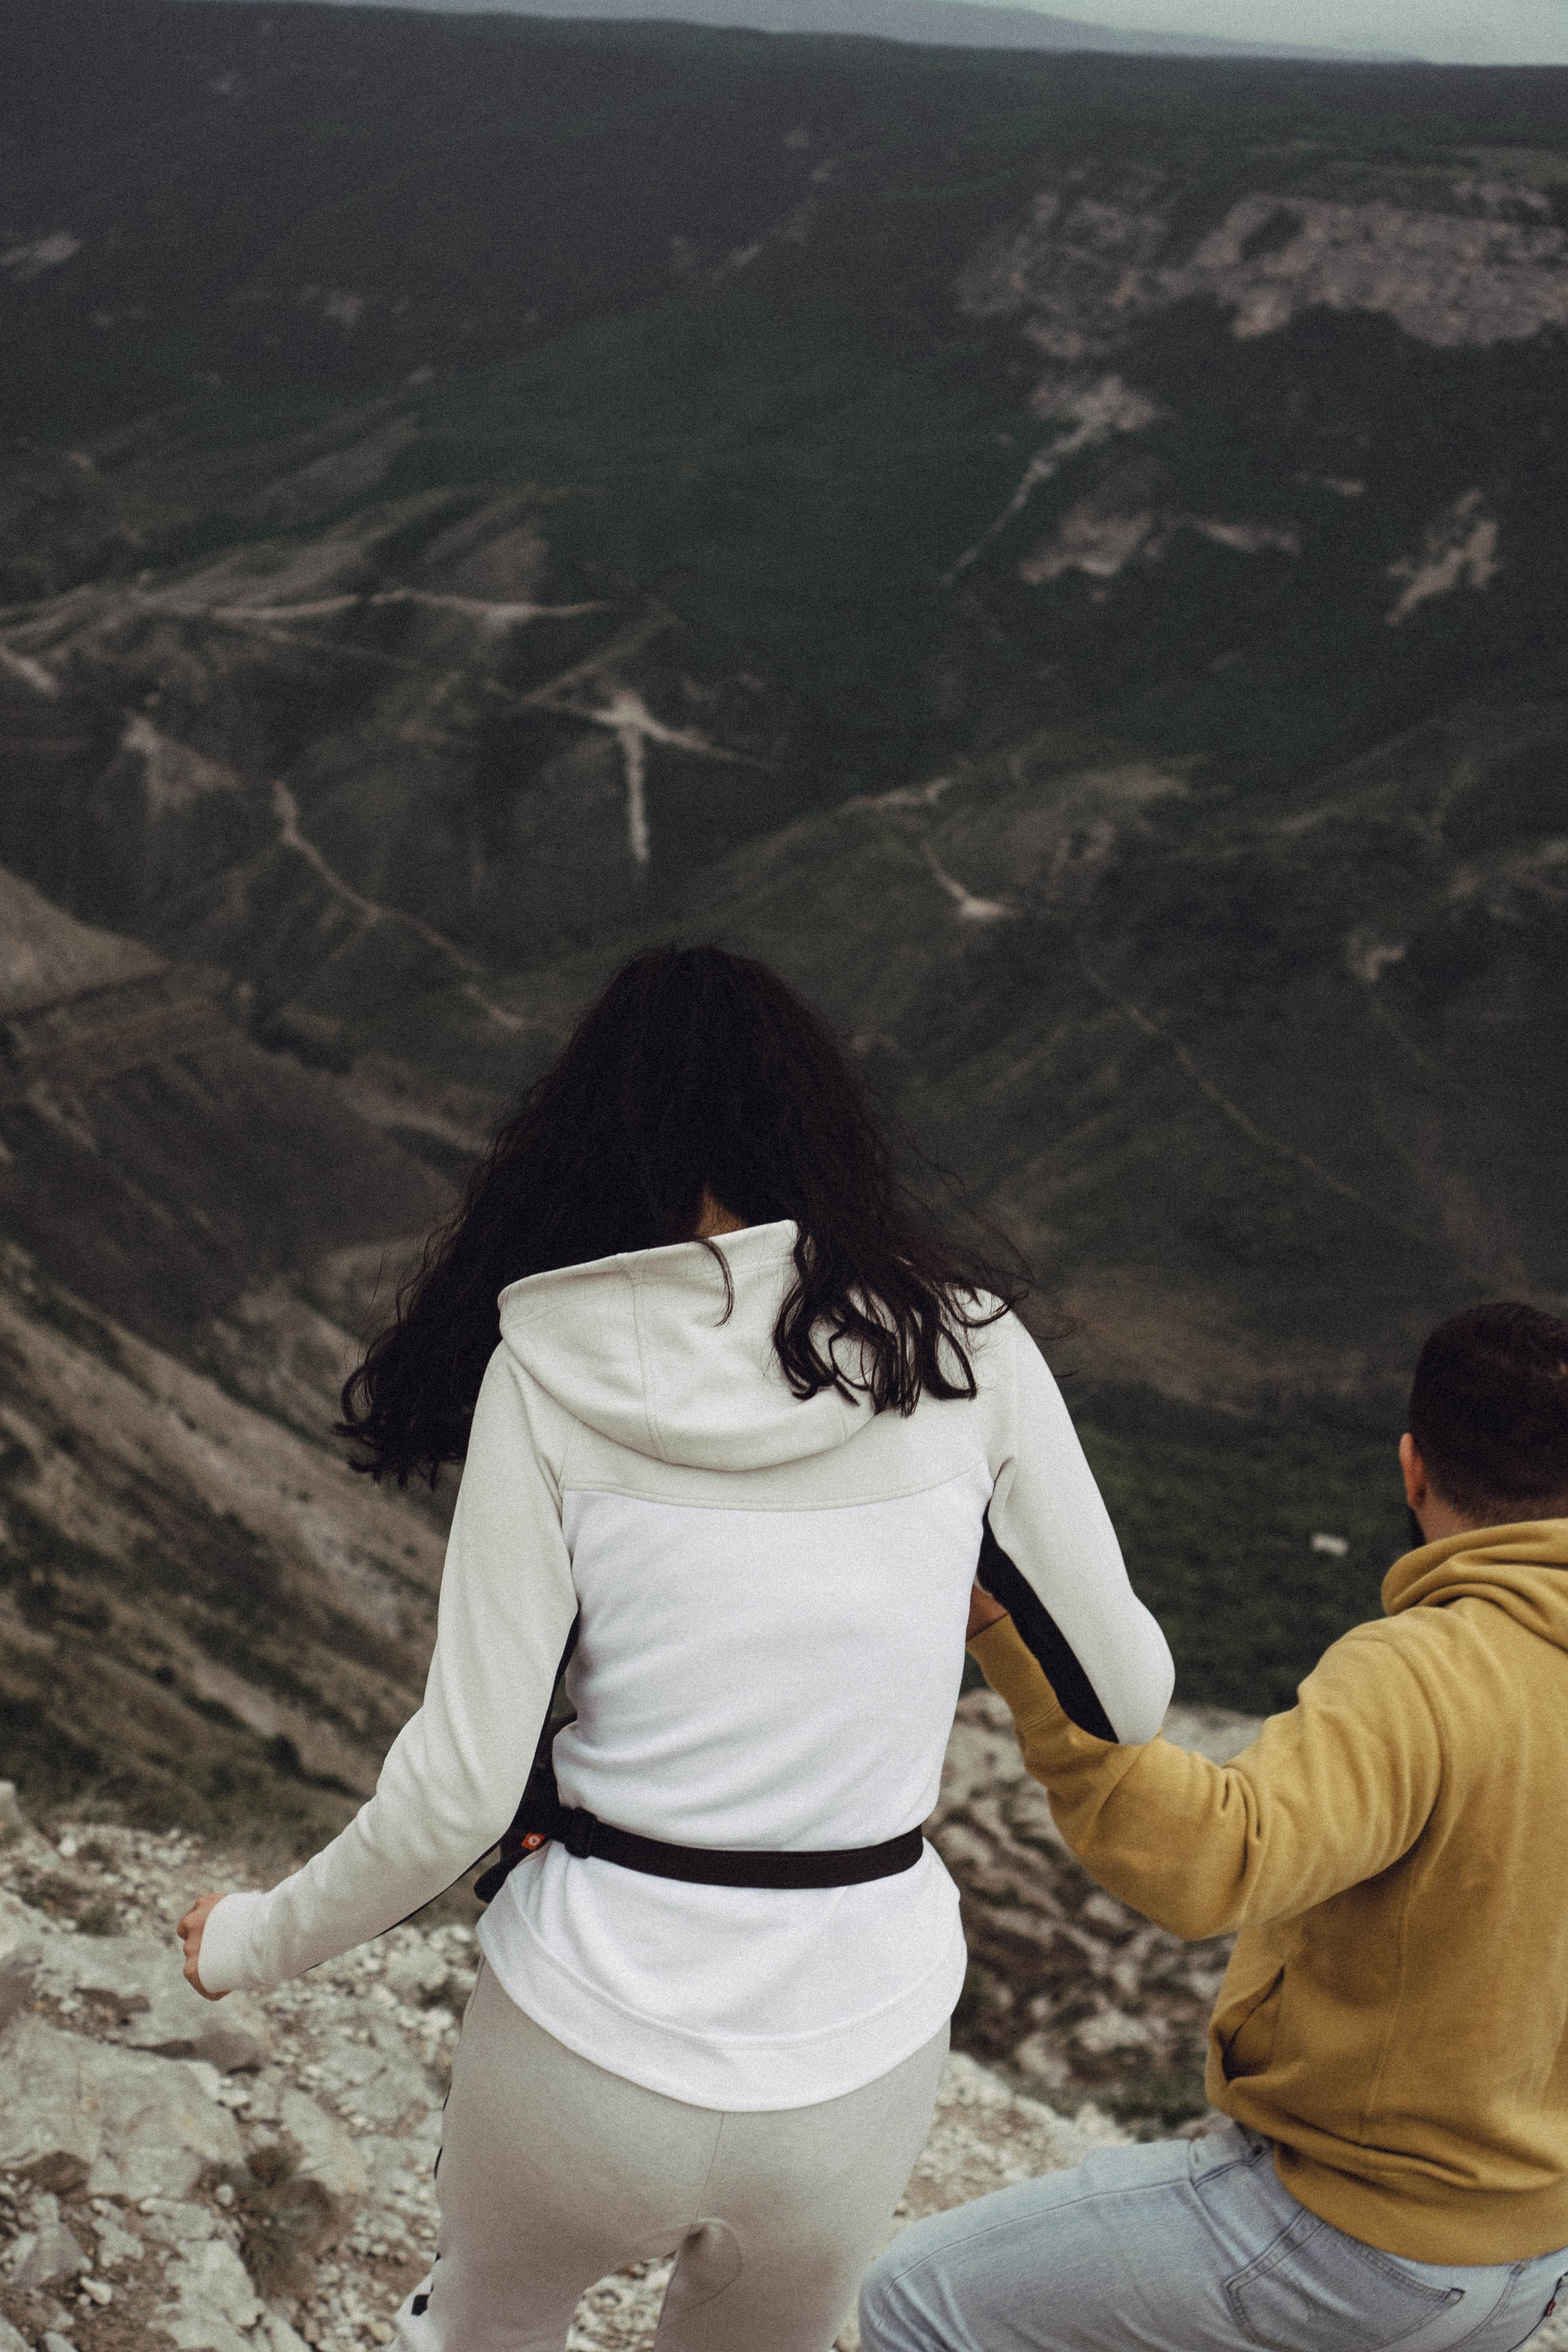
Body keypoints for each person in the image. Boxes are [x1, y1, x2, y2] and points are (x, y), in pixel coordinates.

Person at [176, 944, 1173, 2352]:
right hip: (856, 2046)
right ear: (816, 1126)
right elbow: (1126, 1699)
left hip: (584, 2034)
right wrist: (985, 1600)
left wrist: (252, 1943)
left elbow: (457, 1794)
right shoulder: (967, 1350)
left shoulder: (547, 1368)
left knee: (481, 2330)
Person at [859, 1301, 1568, 2352]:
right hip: (1527, 2263)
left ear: (1413, 1469)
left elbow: (1207, 1864)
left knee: (915, 2298)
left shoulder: (1425, 1670)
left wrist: (1014, 1644)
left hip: (1356, 2239)